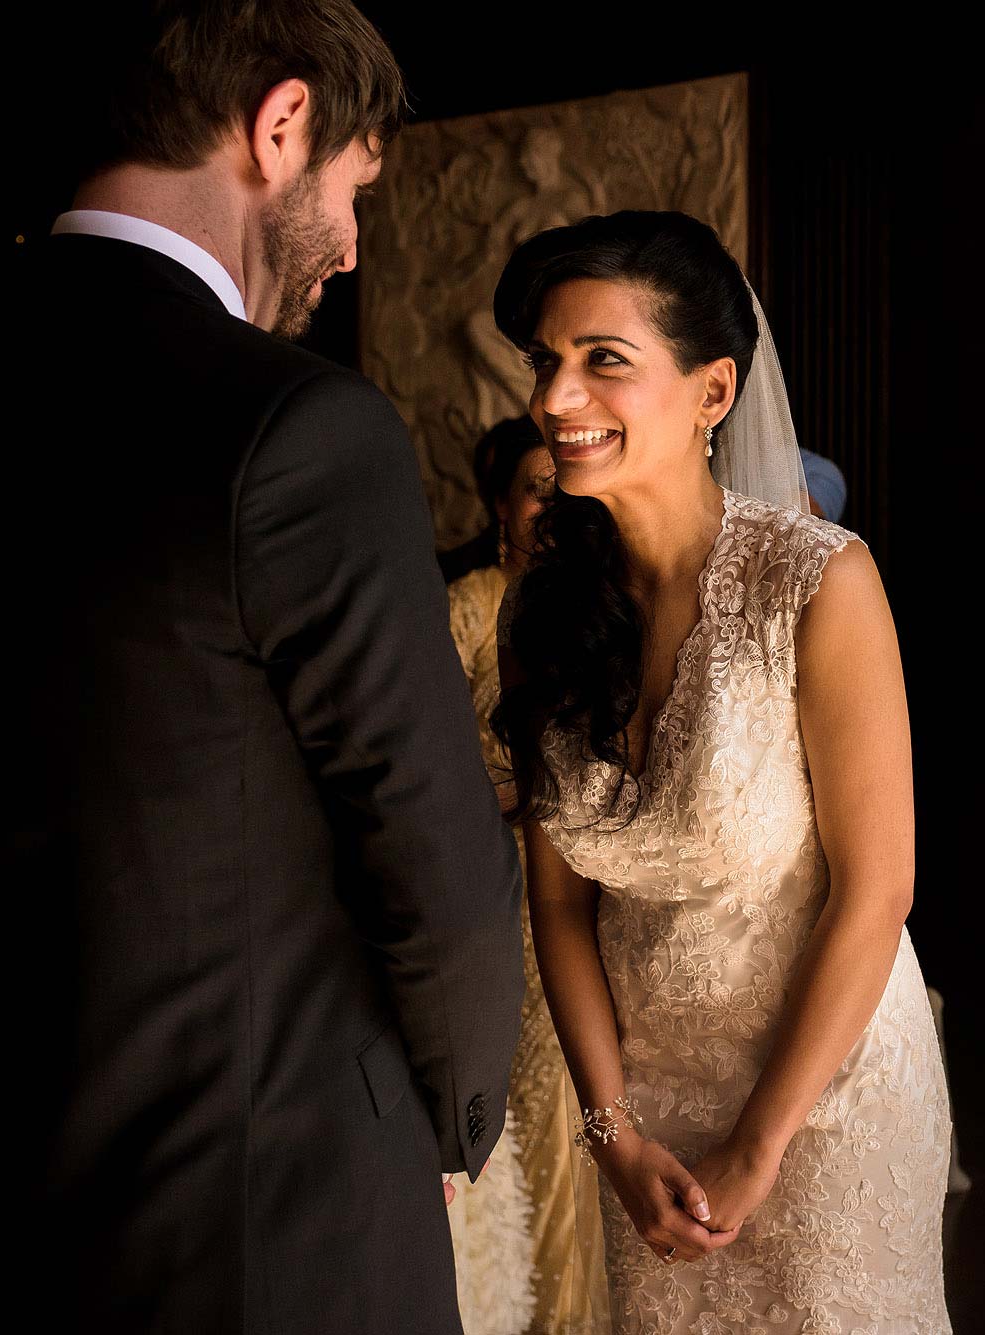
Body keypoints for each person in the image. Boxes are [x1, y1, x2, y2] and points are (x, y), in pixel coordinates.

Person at [0, 4, 525, 1331]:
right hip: (269, 1216)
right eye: (355, 189)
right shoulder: (297, 427)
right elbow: (435, 858)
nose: (351, 246)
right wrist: (455, 1118)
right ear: (281, 123)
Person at [490, 212, 951, 1333]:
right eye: (546, 361)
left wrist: (758, 1144)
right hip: (648, 1115)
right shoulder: (542, 612)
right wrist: (613, 1133)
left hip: (827, 1101)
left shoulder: (817, 583)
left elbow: (877, 890)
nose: (556, 398)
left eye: (603, 359)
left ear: (713, 392)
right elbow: (559, 904)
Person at [444, 418, 610, 1333]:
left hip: (599, 885)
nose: (551, 505)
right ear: (501, 506)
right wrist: (521, 790)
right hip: (503, 895)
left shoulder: (590, 603)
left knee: (600, 1109)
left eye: (561, 488)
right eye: (535, 489)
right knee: (539, 1112)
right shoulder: (467, 607)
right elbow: (430, 767)